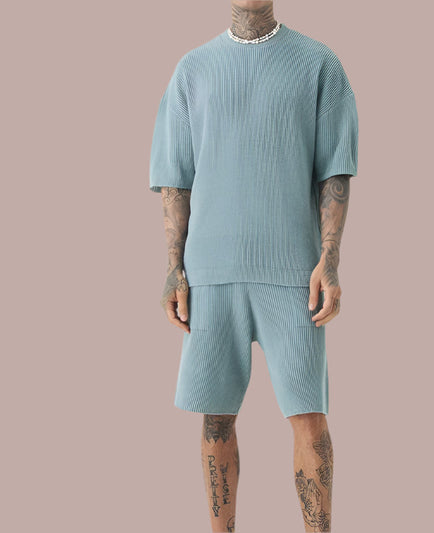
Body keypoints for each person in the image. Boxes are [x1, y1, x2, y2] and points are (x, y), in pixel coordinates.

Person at [149, 1, 358, 531]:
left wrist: (330, 260)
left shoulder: (318, 64)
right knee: (216, 419)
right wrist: (174, 267)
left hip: (294, 272)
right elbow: (175, 178)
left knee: (309, 415)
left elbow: (334, 171)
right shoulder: (192, 69)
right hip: (210, 272)